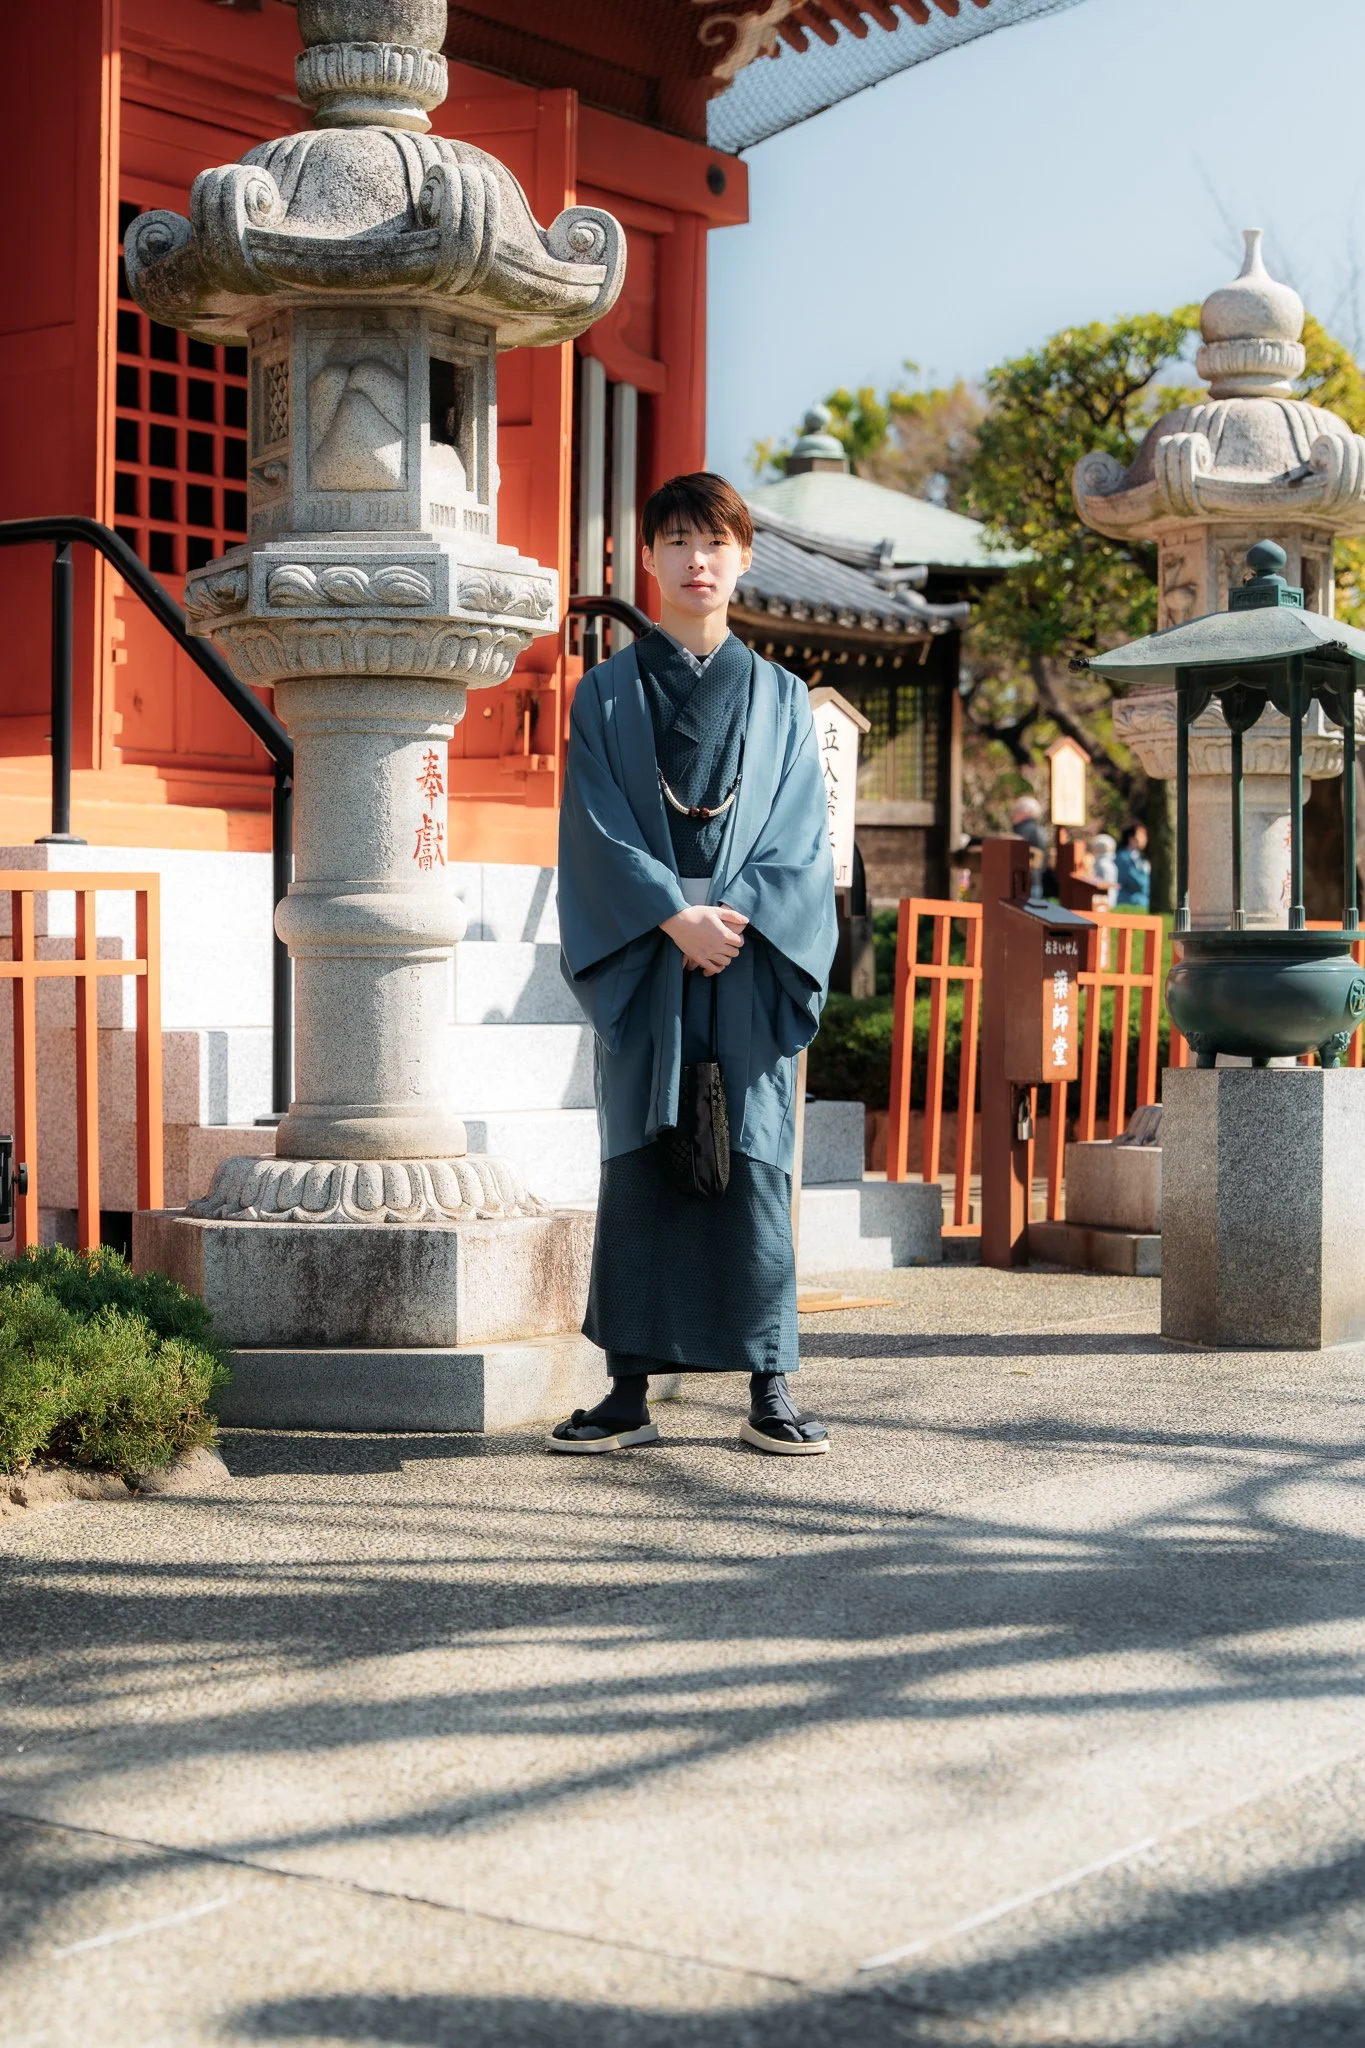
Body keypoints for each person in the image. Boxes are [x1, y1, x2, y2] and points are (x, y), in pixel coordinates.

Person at [551, 471, 837, 1458]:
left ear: (744, 556)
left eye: (715, 540)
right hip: (650, 946)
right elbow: (591, 830)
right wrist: (674, 916)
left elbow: (803, 838)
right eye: (675, 541)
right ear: (647, 559)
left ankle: (770, 1378)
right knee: (639, 1152)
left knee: (757, 1154)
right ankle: (628, 1386)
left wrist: (737, 917)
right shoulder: (606, 694)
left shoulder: (784, 697)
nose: (696, 559)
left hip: (751, 955)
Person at [1115, 822, 1151, 909]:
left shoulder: (1141, 857)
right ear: (1131, 838)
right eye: (1141, 835)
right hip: (1129, 903)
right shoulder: (1123, 857)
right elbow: (1136, 881)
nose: (1145, 838)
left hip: (1142, 903)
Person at [1090, 831, 1118, 906]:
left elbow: (1108, 887)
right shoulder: (1101, 863)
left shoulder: (1105, 865)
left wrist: (1109, 903)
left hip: (1104, 902)